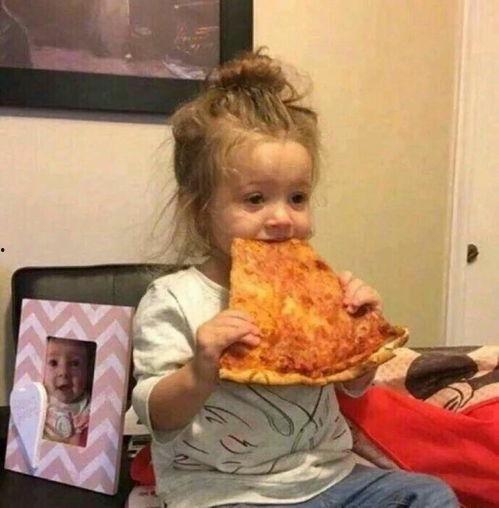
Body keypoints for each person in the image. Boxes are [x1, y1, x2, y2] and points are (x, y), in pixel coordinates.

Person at [132, 49, 459, 507]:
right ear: (201, 209)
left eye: (298, 197)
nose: (282, 217)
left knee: (429, 495)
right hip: (223, 491)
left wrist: (360, 336)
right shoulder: (174, 299)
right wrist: (200, 369)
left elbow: (352, 385)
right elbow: (157, 416)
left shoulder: (315, 293)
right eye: (255, 199)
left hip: (328, 477)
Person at [43, 336, 92, 447]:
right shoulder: (38, 403)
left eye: (74, 363)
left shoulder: (92, 408)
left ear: (87, 371)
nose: (63, 372)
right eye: (53, 363)